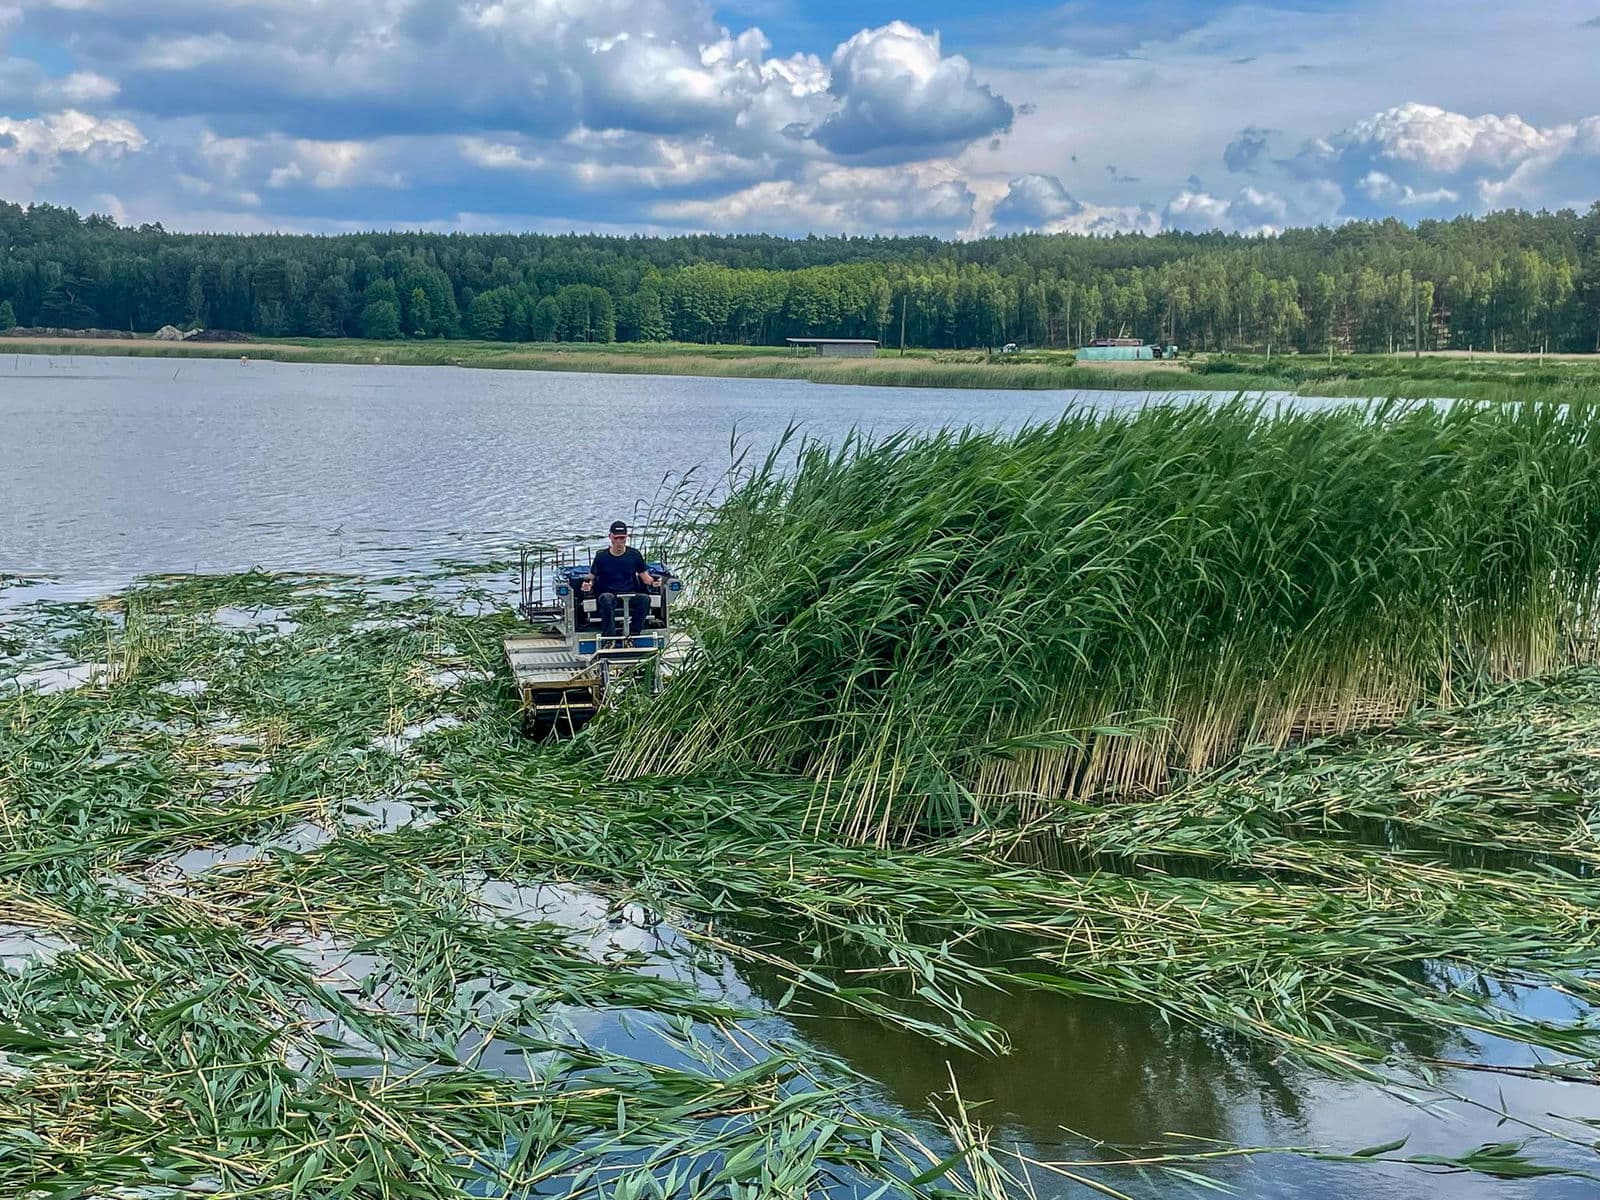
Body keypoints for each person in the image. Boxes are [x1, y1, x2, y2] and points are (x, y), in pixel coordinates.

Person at [581, 521, 659, 640]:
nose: (619, 542)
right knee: (606, 599)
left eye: (622, 538)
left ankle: (634, 635)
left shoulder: (634, 555)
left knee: (644, 600)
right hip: (610, 594)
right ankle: (609, 638)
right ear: (610, 537)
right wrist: (587, 584)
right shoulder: (601, 556)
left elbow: (645, 578)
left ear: (626, 537)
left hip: (630, 593)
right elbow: (592, 577)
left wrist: (656, 582)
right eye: (616, 538)